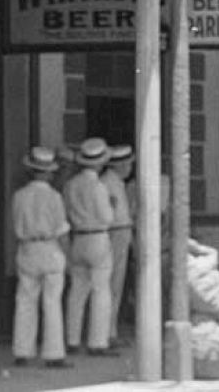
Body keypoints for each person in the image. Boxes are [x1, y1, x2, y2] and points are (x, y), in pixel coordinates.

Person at [11, 145, 72, 369]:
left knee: (25, 300)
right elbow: (61, 230)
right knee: (52, 302)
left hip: (27, 247)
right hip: (50, 247)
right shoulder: (54, 197)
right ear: (48, 172)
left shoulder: (18, 196)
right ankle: (53, 353)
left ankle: (22, 350)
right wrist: (69, 257)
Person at [63, 136, 115, 356]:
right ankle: (97, 342)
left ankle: (72, 339)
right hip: (98, 236)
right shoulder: (99, 187)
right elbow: (107, 217)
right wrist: (113, 207)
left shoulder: (70, 185)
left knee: (77, 291)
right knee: (101, 290)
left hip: (78, 237)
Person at [103, 143, 135, 348]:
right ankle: (108, 332)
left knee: (115, 284)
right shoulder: (109, 183)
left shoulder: (116, 182)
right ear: (121, 165)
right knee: (113, 284)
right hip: (114, 233)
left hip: (120, 232)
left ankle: (109, 330)